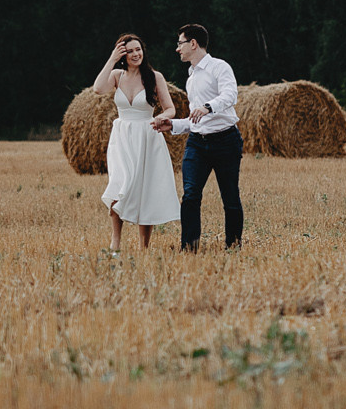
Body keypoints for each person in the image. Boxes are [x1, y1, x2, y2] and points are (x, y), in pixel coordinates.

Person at [153, 24, 240, 251]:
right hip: (197, 143)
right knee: (190, 195)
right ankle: (189, 247)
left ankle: (233, 246)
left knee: (230, 198)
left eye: (180, 43)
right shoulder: (191, 77)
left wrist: (208, 107)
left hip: (226, 141)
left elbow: (231, 95)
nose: (177, 49)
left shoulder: (220, 67)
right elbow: (195, 120)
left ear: (193, 43)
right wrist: (173, 124)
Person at [90, 33, 180, 250]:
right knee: (119, 184)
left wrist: (160, 117)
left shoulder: (154, 76)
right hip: (121, 138)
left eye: (138, 49)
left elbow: (170, 108)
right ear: (122, 54)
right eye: (129, 51)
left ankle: (144, 247)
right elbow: (97, 89)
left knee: (144, 190)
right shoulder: (116, 76)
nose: (135, 54)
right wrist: (111, 59)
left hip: (147, 136)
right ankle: (116, 242)